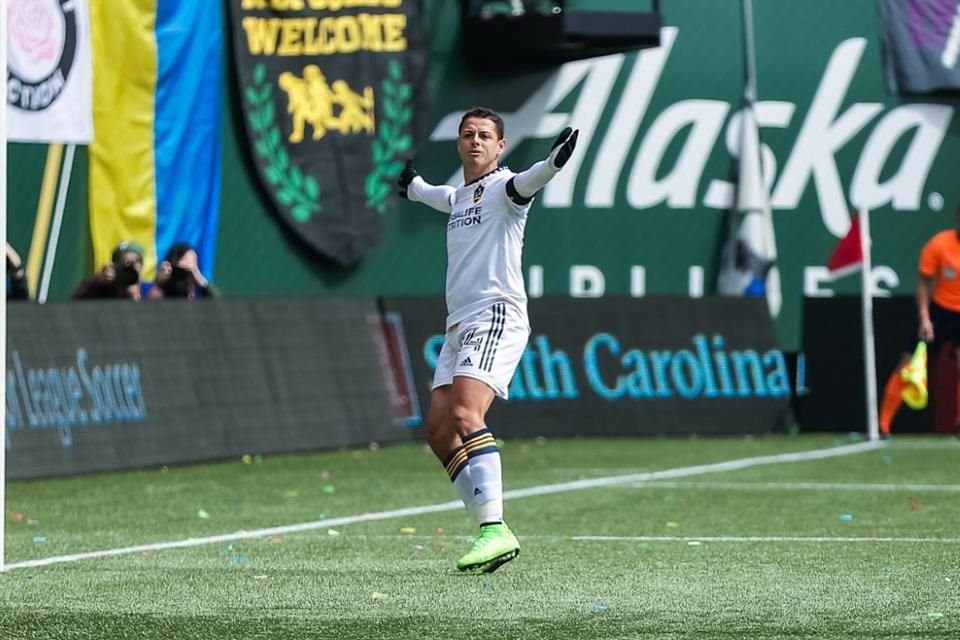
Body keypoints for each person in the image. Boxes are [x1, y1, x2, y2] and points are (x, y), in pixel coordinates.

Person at [398, 107, 578, 572]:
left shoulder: (506, 187)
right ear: (458, 144)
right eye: (467, 135)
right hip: (457, 323)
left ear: (500, 146)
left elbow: (530, 182)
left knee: (465, 412)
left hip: (496, 313)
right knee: (439, 431)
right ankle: (487, 527)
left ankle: (494, 528)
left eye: (484, 136)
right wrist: (413, 188)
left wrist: (554, 164)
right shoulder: (461, 197)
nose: (475, 141)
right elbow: (440, 196)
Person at [879, 205, 960, 436]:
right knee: (906, 363)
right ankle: (883, 425)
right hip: (937, 311)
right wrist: (925, 317)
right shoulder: (939, 245)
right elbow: (923, 282)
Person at [72, 240, 145, 300]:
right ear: (115, 267)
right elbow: (75, 306)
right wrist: (98, 281)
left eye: (136, 261)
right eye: (125, 262)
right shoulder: (103, 290)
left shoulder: (150, 292)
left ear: (142, 266)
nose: (130, 267)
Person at [147, 243, 218, 300]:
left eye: (194, 265)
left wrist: (201, 281)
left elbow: (220, 306)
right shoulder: (163, 290)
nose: (188, 269)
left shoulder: (199, 292)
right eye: (182, 267)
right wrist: (159, 283)